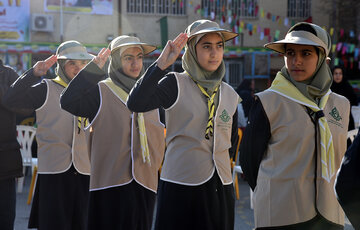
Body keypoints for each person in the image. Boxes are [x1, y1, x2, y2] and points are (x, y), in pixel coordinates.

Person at [127, 19, 239, 230]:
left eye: (219, 46)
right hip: (181, 186)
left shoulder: (230, 94)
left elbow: (230, 141)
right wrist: (160, 66)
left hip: (220, 186)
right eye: (206, 46)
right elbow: (136, 102)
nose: (214, 53)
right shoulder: (174, 83)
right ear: (191, 50)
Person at [240, 22, 349, 229]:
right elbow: (249, 160)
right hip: (282, 214)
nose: (296, 61)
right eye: (290, 53)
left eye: (306, 53)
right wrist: (274, 191)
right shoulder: (268, 102)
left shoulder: (340, 105)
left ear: (323, 61)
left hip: (329, 215)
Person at [60, 35, 165, 230]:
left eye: (139, 57)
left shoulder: (153, 92)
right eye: (128, 58)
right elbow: (68, 101)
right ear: (116, 61)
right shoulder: (101, 91)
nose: (135, 63)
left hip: (145, 183)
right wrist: (92, 70)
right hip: (109, 185)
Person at [2, 40, 93, 230]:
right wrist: (33, 74)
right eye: (72, 64)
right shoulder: (46, 88)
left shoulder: (91, 92)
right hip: (54, 174)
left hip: (84, 172)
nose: (78, 69)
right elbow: (11, 100)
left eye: (83, 64)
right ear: (61, 65)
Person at [0, 59, 23, 230]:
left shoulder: (8, 75)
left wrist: (4, 92)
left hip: (5, 161)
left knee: (5, 219)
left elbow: (27, 107)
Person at [331, 65, 358, 130]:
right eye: (336, 73)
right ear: (332, 75)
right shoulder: (329, 88)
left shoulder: (347, 87)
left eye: (340, 73)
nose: (338, 76)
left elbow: (354, 101)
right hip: (331, 120)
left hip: (346, 120)